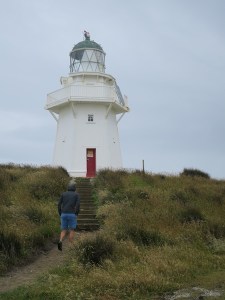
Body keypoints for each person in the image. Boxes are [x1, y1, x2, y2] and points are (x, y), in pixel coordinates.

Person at [57, 181, 80, 251]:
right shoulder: (76, 195)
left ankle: (60, 240)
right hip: (72, 214)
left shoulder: (63, 194)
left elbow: (59, 204)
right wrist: (76, 213)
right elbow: (78, 205)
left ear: (68, 188)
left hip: (63, 214)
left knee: (63, 230)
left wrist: (60, 213)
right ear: (74, 188)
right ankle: (71, 245)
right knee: (72, 229)